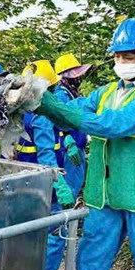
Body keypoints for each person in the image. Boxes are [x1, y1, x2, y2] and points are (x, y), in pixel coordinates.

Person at [27, 18, 135, 270]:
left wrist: (57, 110)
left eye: (128, 56)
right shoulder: (105, 92)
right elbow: (67, 112)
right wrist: (38, 100)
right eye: (118, 56)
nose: (121, 61)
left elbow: (115, 124)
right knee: (89, 267)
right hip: (103, 197)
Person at [17, 60, 75, 270]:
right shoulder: (41, 117)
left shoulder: (21, 112)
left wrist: (68, 138)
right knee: (52, 242)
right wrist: (60, 185)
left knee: (26, 242)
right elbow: (46, 154)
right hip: (45, 190)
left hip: (25, 187)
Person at [52, 53, 91, 201]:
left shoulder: (71, 93)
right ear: (66, 77)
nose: (79, 78)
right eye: (75, 75)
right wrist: (68, 140)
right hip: (69, 149)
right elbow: (57, 120)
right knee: (69, 187)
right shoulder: (61, 95)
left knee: (76, 183)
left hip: (77, 146)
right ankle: (63, 220)